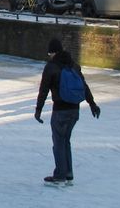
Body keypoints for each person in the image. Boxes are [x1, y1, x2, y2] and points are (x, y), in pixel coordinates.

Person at [34, 38, 101, 186]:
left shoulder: (51, 67)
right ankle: (68, 172)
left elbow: (43, 90)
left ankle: (60, 175)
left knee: (58, 142)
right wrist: (92, 104)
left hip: (60, 111)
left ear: (52, 52)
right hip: (74, 111)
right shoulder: (74, 65)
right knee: (65, 141)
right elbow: (84, 86)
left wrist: (38, 110)